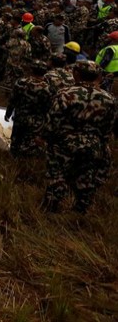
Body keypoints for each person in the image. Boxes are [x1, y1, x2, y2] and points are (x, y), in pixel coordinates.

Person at [42, 61, 116, 214]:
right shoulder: (109, 99)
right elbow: (108, 127)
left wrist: (47, 138)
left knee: (57, 176)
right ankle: (80, 212)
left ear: (76, 74)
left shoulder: (65, 94)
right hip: (93, 145)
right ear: (98, 76)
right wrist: (101, 143)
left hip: (64, 144)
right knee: (85, 179)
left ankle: (51, 209)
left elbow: (52, 121)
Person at [5, 60, 51, 157]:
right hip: (36, 121)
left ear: (31, 69)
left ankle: (13, 159)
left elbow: (13, 99)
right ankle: (25, 161)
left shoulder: (21, 82)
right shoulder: (47, 88)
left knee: (16, 140)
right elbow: (48, 107)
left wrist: (8, 113)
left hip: (20, 117)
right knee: (30, 143)